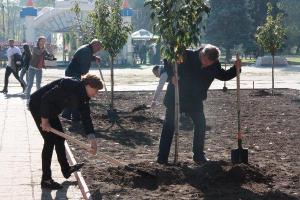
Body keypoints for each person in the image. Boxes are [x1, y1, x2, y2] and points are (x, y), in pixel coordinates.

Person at [157, 44, 242, 165]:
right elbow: (167, 61)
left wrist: (236, 69)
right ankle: (162, 158)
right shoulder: (186, 55)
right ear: (202, 53)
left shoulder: (214, 65)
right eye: (205, 60)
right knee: (169, 127)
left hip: (195, 101)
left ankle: (199, 156)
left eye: (210, 63)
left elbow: (224, 75)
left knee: (200, 125)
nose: (206, 64)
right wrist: (171, 77)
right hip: (176, 96)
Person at [29, 73, 103, 190]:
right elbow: (46, 99)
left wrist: (92, 141)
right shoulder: (69, 85)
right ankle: (46, 180)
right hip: (38, 105)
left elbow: (86, 119)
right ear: (88, 85)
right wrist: (44, 121)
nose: (96, 94)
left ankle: (66, 169)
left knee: (60, 138)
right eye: (95, 90)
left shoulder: (84, 98)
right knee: (50, 141)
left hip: (51, 109)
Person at [63, 39, 102, 122]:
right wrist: (86, 79)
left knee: (73, 95)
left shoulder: (87, 49)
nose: (98, 51)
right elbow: (84, 68)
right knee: (76, 95)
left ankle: (66, 114)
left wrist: (94, 58)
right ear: (94, 45)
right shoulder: (86, 51)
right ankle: (75, 117)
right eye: (98, 49)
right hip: (74, 74)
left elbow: (88, 57)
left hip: (73, 73)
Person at [25, 36, 55, 102]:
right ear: (38, 41)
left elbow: (50, 57)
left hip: (39, 69)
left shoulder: (44, 49)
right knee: (30, 83)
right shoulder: (35, 48)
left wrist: (51, 50)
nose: (43, 42)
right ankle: (27, 98)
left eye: (44, 41)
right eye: (42, 41)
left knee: (38, 84)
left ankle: (38, 98)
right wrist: (45, 49)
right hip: (32, 68)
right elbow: (39, 53)